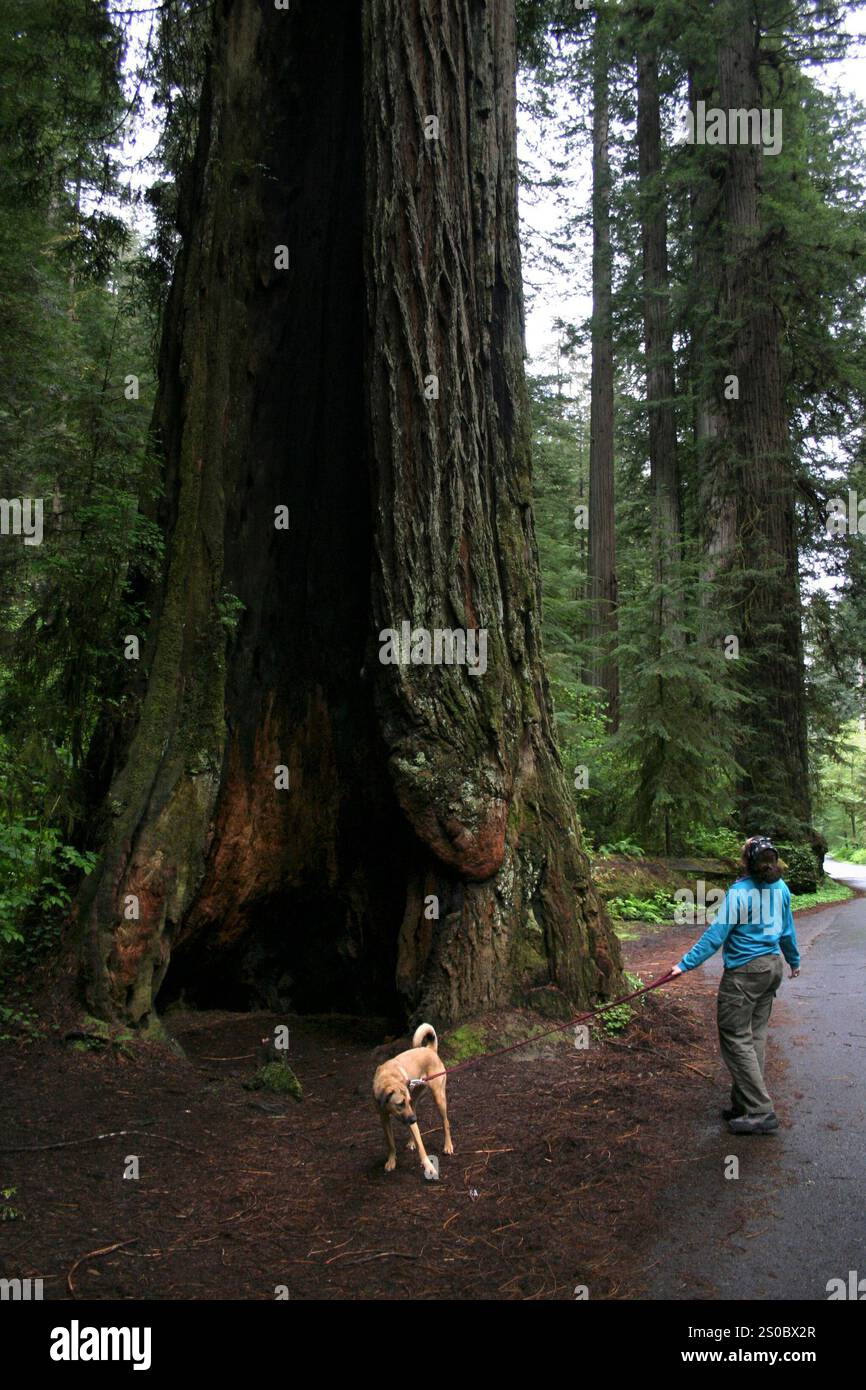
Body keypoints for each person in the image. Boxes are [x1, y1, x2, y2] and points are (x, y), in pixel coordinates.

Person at [670, 836, 801, 1135]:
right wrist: (793, 960)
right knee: (753, 1036)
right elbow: (787, 930)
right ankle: (744, 1103)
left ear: (746, 862)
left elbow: (716, 935)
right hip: (772, 968)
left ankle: (760, 1111)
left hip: (745, 974)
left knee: (735, 1036)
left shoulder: (740, 892)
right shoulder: (781, 888)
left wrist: (684, 964)